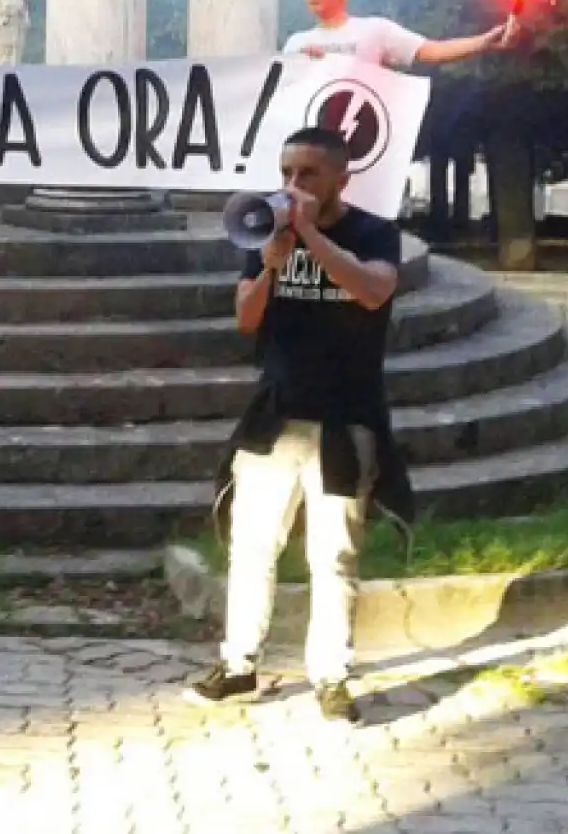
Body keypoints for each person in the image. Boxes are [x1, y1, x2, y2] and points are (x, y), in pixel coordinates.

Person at [187, 126, 414, 723]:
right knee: (252, 546)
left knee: (333, 553)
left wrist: (311, 235)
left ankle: (331, 676)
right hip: (276, 414)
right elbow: (244, 318)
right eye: (287, 173)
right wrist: (268, 266)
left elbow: (372, 292)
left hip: (345, 416)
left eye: (307, 174)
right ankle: (239, 664)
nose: (292, 186)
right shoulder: (265, 231)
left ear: (341, 177)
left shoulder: (373, 232)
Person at [286, 0, 514, 67]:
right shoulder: (296, 43)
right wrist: (301, 65)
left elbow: (432, 51)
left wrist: (484, 41)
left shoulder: (373, 29)